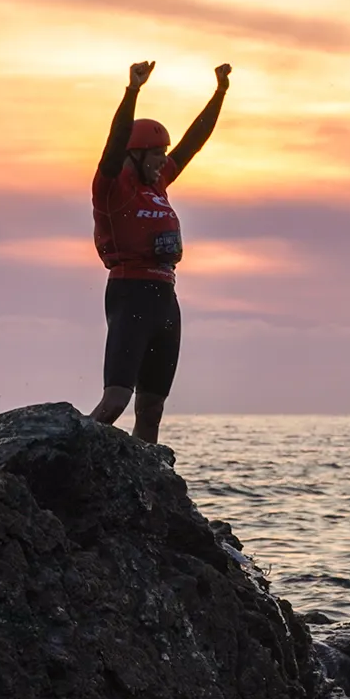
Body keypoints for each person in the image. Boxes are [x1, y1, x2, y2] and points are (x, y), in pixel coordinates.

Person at [88, 61, 231, 443]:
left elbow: (193, 143)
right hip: (129, 293)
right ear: (135, 156)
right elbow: (114, 144)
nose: (162, 161)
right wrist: (132, 91)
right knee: (115, 401)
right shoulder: (111, 187)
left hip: (165, 298)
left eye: (163, 155)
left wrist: (220, 93)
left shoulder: (160, 182)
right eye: (154, 155)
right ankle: (66, 454)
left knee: (151, 410)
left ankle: (147, 486)